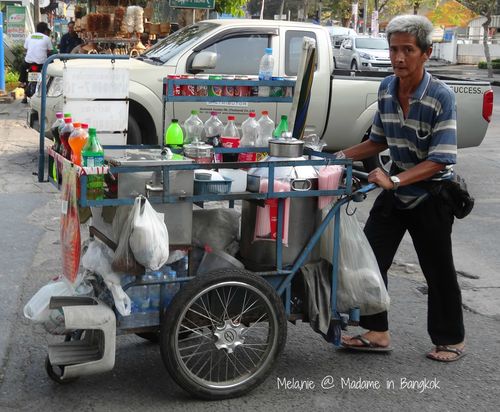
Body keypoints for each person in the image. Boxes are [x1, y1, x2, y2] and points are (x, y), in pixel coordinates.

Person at [339, 15, 466, 362]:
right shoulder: (386, 89)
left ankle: (450, 339)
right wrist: (336, 158)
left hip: (432, 193)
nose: (398, 57)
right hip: (396, 191)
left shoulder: (441, 96)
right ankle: (377, 332)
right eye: (394, 49)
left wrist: (393, 180)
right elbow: (377, 141)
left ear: (425, 53)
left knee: (437, 268)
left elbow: (441, 158)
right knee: (370, 260)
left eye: (407, 50)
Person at [21, 22, 53, 103]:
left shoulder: (29, 36)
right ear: (45, 30)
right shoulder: (47, 38)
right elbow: (50, 51)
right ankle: (48, 90)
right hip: (42, 64)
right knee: (49, 73)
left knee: (23, 67)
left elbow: (25, 49)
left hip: (29, 63)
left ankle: (22, 83)